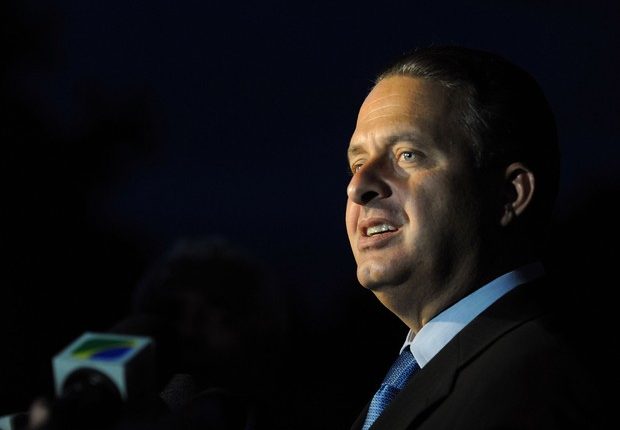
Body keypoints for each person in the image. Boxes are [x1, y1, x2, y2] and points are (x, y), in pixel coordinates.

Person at [345, 46, 600, 429]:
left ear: (509, 194)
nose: (358, 186)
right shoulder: (412, 379)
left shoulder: (542, 381)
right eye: (358, 163)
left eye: (407, 155)